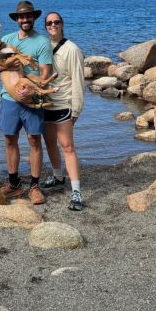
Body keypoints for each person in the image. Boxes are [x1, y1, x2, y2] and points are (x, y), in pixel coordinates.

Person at [0, 0, 53, 205]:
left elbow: (45, 72)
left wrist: (30, 89)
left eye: (28, 16)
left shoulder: (42, 42)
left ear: (34, 18)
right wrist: (10, 63)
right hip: (9, 99)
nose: (25, 19)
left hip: (32, 95)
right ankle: (14, 184)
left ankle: (34, 186)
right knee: (10, 140)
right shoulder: (5, 39)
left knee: (34, 140)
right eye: (21, 16)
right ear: (17, 19)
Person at [41, 11, 86, 211]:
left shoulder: (72, 49)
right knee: (50, 143)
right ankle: (58, 176)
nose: (53, 25)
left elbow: (78, 80)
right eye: (49, 23)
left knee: (67, 146)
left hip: (63, 105)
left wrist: (76, 109)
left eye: (56, 22)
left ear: (62, 24)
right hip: (45, 104)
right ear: (45, 26)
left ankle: (76, 191)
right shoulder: (42, 46)